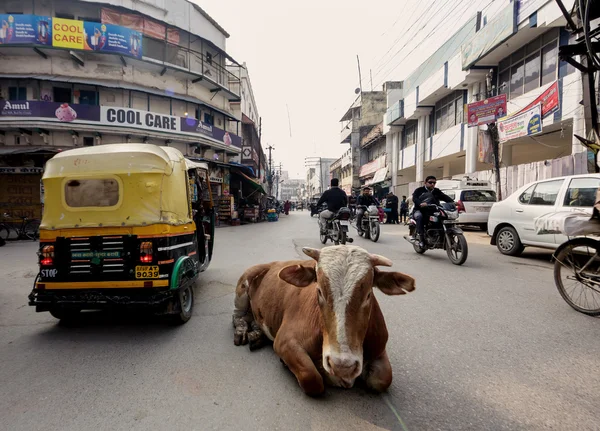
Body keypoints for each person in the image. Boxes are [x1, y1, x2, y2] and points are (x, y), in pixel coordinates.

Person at [412, 176, 455, 246]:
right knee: (419, 217)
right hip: (420, 210)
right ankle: (421, 239)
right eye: (430, 182)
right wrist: (420, 203)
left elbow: (444, 197)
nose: (432, 184)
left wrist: (453, 202)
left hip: (433, 210)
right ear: (425, 182)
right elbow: (415, 198)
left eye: (434, 183)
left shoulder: (436, 191)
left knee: (442, 217)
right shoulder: (419, 190)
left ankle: (440, 235)